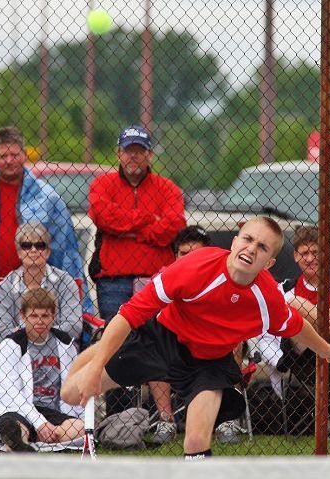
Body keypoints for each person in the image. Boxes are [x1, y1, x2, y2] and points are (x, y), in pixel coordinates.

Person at [61, 216, 330, 459]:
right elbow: (128, 315)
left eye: (261, 247)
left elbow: (297, 327)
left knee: (197, 442)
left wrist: (328, 350)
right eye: (247, 239)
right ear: (234, 242)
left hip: (208, 364)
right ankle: (102, 351)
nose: (251, 249)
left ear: (269, 263)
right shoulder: (194, 266)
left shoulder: (266, 297)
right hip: (162, 341)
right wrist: (97, 366)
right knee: (72, 394)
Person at [88, 124, 186, 415]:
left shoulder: (168, 188)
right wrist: (147, 221)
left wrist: (129, 228)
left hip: (156, 280)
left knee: (159, 343)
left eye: (139, 151)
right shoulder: (102, 184)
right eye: (128, 151)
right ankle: (119, 414)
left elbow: (172, 228)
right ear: (118, 154)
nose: (134, 157)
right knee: (116, 345)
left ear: (149, 155)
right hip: (114, 281)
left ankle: (164, 415)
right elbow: (104, 218)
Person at [257, 225, 330, 448]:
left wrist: (325, 315)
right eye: (304, 253)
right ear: (295, 256)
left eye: (315, 252)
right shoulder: (286, 289)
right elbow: (266, 329)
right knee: (294, 304)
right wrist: (327, 315)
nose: (310, 258)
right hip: (302, 354)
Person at [0, 126, 93, 313]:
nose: (9, 160)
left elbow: (66, 253)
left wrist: (81, 309)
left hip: (36, 297)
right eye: (3, 156)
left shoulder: (47, 198)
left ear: (24, 155)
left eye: (15, 154)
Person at [0, 288, 84, 452]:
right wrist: (38, 422)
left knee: (79, 428)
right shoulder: (10, 345)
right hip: (18, 408)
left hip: (52, 411)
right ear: (23, 316)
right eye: (34, 316)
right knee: (14, 427)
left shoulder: (65, 344)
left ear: (53, 317)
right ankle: (24, 438)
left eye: (45, 316)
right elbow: (10, 392)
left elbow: (75, 384)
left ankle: (26, 442)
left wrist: (46, 424)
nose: (39, 321)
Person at [148, 225, 211, 445]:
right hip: (172, 345)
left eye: (196, 255)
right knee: (153, 345)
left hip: (209, 344)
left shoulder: (220, 277)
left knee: (234, 341)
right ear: (175, 256)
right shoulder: (162, 278)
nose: (189, 260)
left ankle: (225, 419)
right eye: (184, 254)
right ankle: (166, 419)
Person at [0, 222, 83, 348]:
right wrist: (36, 337)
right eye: (26, 246)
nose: (33, 250)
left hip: (58, 350)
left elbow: (74, 325)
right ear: (19, 253)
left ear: (48, 252)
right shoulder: (4, 286)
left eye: (40, 245)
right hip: (17, 352)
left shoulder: (65, 282)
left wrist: (33, 336)